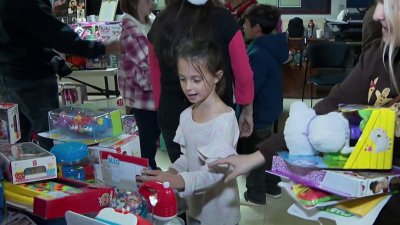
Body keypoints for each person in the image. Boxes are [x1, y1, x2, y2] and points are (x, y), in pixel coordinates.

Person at [210, 1, 400, 224]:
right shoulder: (379, 54)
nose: (377, 14)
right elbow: (330, 106)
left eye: (390, 4)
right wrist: (255, 157)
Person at [138, 40, 240, 225]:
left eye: (196, 79)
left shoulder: (224, 121)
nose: (188, 87)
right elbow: (188, 157)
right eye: (183, 79)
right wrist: (170, 173)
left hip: (220, 215)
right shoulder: (186, 115)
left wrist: (178, 181)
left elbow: (215, 172)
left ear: (217, 76)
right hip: (195, 207)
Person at [0, 0, 119, 150]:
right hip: (31, 77)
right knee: (50, 137)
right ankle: (53, 171)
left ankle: (23, 170)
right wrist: (99, 48)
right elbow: (54, 34)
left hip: (9, 75)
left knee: (15, 139)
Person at [148, 0, 254, 164]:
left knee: (183, 177)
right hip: (214, 113)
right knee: (217, 176)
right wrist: (247, 108)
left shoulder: (162, 20)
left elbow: (155, 74)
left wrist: (160, 107)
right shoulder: (224, 19)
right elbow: (243, 72)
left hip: (171, 112)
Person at [238, 4, 288, 206]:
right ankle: (272, 185)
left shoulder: (258, 53)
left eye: (246, 24)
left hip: (258, 113)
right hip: (271, 108)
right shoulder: (274, 45)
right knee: (268, 150)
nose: (243, 27)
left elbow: (250, 89)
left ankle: (255, 194)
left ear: (257, 27)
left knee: (256, 154)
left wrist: (242, 111)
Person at [118, 0, 160, 169]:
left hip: (151, 94)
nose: (153, 2)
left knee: (150, 139)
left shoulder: (149, 22)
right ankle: (147, 176)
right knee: (147, 142)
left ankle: (149, 172)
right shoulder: (131, 32)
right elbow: (148, 65)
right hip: (144, 96)